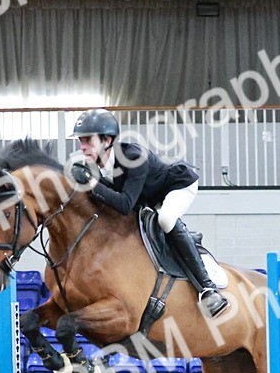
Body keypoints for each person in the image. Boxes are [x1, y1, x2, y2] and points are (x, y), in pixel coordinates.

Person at [69, 108, 229, 317]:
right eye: (81, 141)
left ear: (107, 140)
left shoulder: (134, 157)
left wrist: (91, 184)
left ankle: (208, 289)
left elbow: (125, 204)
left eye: (88, 140)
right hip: (148, 198)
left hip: (177, 185)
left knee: (166, 219)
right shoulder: (94, 165)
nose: (82, 147)